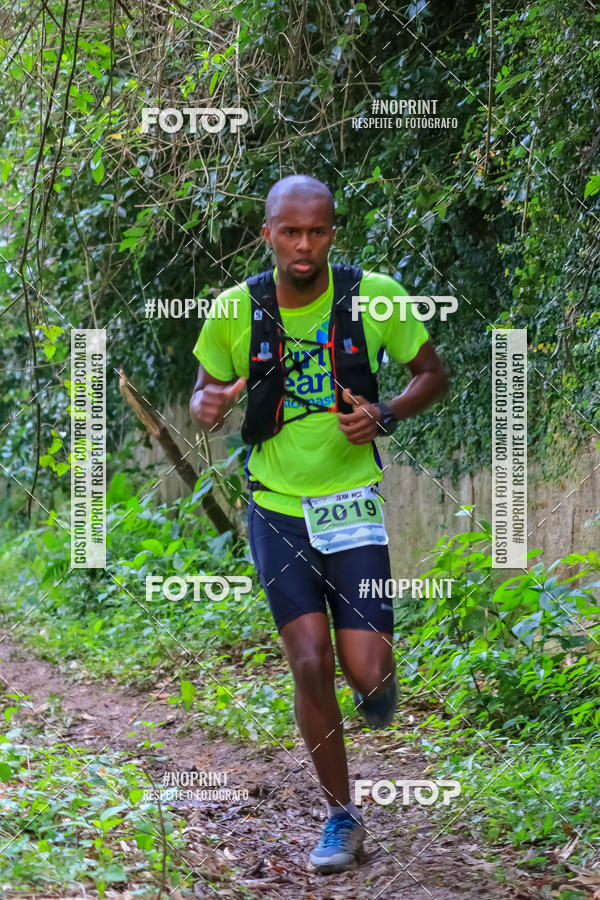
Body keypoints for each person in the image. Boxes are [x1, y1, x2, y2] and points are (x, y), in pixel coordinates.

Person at [189, 174, 449, 874]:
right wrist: (205, 407)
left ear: (333, 233)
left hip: (351, 504)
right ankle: (342, 816)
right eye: (290, 232)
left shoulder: (375, 296)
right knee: (309, 662)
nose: (304, 246)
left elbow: (432, 373)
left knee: (367, 674)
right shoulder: (234, 310)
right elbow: (207, 387)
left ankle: (376, 684)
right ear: (268, 233)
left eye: (318, 232)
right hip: (275, 505)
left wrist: (386, 412)